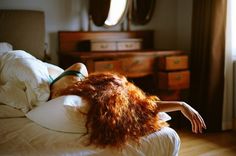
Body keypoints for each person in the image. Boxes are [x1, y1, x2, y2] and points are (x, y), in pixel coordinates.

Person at [49, 63, 207, 148]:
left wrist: (182, 104)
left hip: (91, 85)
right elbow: (146, 106)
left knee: (79, 67)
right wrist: (181, 104)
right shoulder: (115, 107)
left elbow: (145, 105)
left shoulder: (112, 106)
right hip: (88, 85)